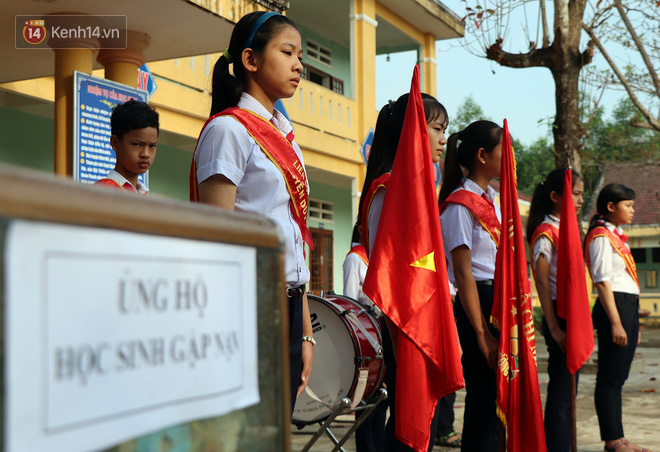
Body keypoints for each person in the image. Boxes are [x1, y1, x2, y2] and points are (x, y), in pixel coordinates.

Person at [188, 11, 313, 413]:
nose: (298, 65)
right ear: (250, 60)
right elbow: (219, 236)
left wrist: (306, 329)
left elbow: (296, 237)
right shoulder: (229, 131)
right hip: (250, 303)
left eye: (300, 55)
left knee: (277, 424)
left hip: (291, 305)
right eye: (287, 51)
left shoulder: (287, 139)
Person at [357, 92, 449, 452]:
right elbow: (390, 277)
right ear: (413, 130)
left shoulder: (413, 187)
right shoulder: (388, 187)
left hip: (419, 322)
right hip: (402, 325)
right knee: (406, 427)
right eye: (437, 128)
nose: (444, 139)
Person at [437, 120, 503, 452]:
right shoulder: (459, 205)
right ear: (482, 155)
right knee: (482, 396)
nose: (508, 158)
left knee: (498, 397)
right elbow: (462, 275)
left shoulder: (493, 200)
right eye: (502, 150)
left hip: (497, 299)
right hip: (477, 299)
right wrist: (481, 333)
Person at [585, 184, 650, 452]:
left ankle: (619, 438)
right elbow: (601, 282)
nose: (633, 210)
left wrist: (632, 314)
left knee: (618, 379)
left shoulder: (617, 236)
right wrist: (616, 321)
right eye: (629, 205)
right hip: (614, 308)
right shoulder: (601, 236)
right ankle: (612, 441)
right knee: (609, 378)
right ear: (611, 207)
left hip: (626, 306)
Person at [526, 168, 584, 452]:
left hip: (574, 318)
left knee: (570, 391)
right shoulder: (545, 232)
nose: (581, 200)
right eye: (575, 194)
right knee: (561, 394)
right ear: (554, 197)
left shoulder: (568, 229)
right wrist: (553, 328)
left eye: (582, 194)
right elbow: (541, 281)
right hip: (558, 318)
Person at [342, 223, 387, 452]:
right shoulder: (355, 259)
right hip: (365, 336)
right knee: (366, 401)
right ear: (362, 228)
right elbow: (349, 303)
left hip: (381, 333)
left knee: (380, 400)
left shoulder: (375, 257)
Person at [94, 99, 159, 194]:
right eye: (137, 144)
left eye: (152, 146)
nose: (146, 154)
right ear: (115, 143)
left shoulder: (142, 193)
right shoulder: (104, 191)